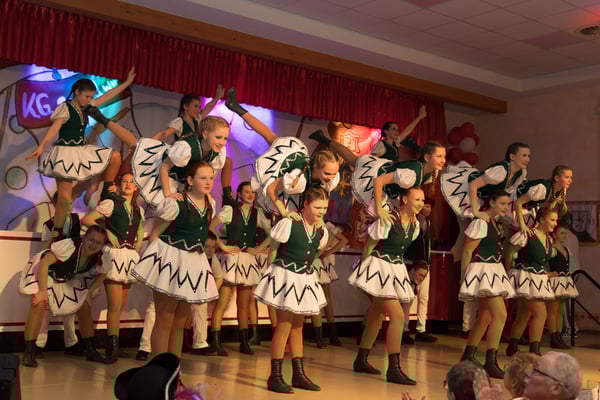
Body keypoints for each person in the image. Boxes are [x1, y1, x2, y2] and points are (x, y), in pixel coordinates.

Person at [26, 70, 138, 241]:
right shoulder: (65, 108)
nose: (89, 100)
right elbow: (55, 128)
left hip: (80, 150)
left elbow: (107, 96)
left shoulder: (87, 107)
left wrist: (127, 83)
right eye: (86, 96)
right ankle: (57, 231)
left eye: (91, 97)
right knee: (64, 198)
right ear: (77, 92)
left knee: (114, 156)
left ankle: (107, 192)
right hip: (65, 154)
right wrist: (42, 146)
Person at [131, 161, 219, 356]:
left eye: (211, 178)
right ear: (190, 180)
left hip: (193, 263)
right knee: (165, 318)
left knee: (180, 322)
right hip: (171, 260)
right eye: (203, 178)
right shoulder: (175, 202)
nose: (208, 182)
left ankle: (174, 367)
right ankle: (159, 368)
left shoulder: (210, 204)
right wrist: (153, 261)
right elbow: (157, 232)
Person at [254, 187, 330, 393]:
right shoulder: (289, 223)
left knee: (298, 327)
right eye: (317, 207)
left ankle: (298, 374)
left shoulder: (322, 231)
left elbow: (315, 251)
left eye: (324, 208)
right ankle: (275, 376)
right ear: (305, 204)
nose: (321, 212)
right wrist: (271, 276)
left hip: (304, 278)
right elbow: (274, 248)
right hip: (285, 276)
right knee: (284, 326)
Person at [349, 186, 426, 386]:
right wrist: (363, 274)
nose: (420, 203)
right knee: (398, 316)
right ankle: (393, 368)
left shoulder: (416, 225)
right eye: (417, 199)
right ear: (404, 199)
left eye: (422, 200)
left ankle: (361, 359)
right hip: (379, 268)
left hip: (395, 268)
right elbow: (369, 245)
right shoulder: (389, 219)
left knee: (377, 315)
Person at [224, 87, 340, 217]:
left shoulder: (330, 180)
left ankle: (235, 106)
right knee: (270, 136)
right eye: (327, 173)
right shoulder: (298, 178)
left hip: (298, 171)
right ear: (316, 167)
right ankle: (236, 107)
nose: (331, 177)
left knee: (271, 137)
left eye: (334, 174)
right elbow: (271, 189)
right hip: (284, 165)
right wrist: (284, 212)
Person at [18, 225, 111, 367]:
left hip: (64, 279)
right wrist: (42, 291)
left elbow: (104, 272)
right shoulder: (70, 246)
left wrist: (90, 291)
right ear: (84, 238)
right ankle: (29, 352)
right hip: (43, 273)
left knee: (84, 306)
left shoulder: (101, 256)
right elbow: (44, 264)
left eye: (98, 243)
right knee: (39, 303)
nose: (93, 245)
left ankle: (91, 351)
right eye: (91, 240)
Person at [81, 172, 144, 362]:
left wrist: (138, 244)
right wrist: (107, 233)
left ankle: (113, 345)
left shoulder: (138, 209)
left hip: (129, 256)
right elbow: (87, 220)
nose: (128, 184)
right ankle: (112, 349)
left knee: (120, 306)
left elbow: (140, 228)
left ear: (136, 187)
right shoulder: (111, 203)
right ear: (119, 185)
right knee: (114, 306)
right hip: (114, 255)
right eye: (124, 181)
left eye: (131, 182)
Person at [206, 181, 271, 356]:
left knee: (243, 305)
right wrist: (223, 246)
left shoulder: (257, 214)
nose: (250, 195)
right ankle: (215, 343)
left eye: (253, 192)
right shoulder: (230, 210)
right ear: (239, 194)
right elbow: (211, 227)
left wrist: (257, 249)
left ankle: (244, 342)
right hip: (232, 258)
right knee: (222, 302)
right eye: (247, 192)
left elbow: (272, 234)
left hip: (247, 260)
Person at [459, 189, 515, 378]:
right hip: (483, 270)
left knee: (485, 316)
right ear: (491, 202)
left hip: (492, 270)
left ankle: (468, 355)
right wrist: (464, 277)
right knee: (500, 314)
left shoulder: (493, 223)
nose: (506, 207)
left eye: (507, 204)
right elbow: (467, 251)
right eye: (502, 203)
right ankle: (490, 362)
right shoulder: (481, 222)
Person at [149, 87, 236, 206]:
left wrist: (217, 98)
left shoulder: (198, 121)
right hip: (177, 164)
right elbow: (164, 134)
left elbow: (207, 109)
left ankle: (227, 195)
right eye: (195, 106)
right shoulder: (180, 123)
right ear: (185, 106)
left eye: (199, 107)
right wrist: (148, 144)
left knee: (227, 162)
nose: (198, 109)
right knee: (168, 206)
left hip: (191, 167)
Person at [132, 116, 229, 208]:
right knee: (151, 204)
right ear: (205, 134)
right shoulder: (187, 147)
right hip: (165, 174)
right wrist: (168, 193)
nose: (222, 142)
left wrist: (206, 193)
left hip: (183, 180)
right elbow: (164, 167)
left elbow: (208, 176)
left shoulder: (218, 152)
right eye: (218, 137)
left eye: (225, 138)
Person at [34, 192, 84, 358]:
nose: (67, 206)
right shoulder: (49, 224)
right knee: (45, 307)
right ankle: (39, 344)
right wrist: (51, 240)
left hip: (70, 270)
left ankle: (71, 343)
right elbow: (42, 251)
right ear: (55, 204)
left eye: (70, 202)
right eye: (63, 203)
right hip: (52, 269)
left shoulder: (77, 220)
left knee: (69, 307)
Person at [506, 207, 557, 357]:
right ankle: (534, 350)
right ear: (541, 219)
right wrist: (509, 272)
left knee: (524, 313)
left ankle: (512, 347)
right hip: (524, 277)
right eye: (552, 220)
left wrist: (546, 274)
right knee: (541, 314)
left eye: (556, 220)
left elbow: (539, 262)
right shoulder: (527, 234)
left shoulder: (548, 239)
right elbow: (510, 251)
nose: (555, 223)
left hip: (537, 279)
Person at [402, 197, 437, 344]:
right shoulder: (413, 221)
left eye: (429, 206)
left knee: (424, 298)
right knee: (408, 299)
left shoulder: (427, 222)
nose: (427, 209)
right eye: (425, 205)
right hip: (412, 264)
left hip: (424, 265)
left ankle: (421, 329)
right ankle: (404, 330)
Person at [310, 221, 348, 348]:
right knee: (324, 298)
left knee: (320, 298)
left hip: (316, 261)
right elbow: (342, 240)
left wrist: (324, 252)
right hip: (319, 261)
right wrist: (326, 252)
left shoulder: (322, 225)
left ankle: (321, 336)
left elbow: (343, 240)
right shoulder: (324, 225)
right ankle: (330, 335)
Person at [547, 226, 579, 349]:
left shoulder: (566, 249)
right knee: (553, 311)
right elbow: (545, 263)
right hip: (555, 280)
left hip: (564, 280)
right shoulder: (551, 249)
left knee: (560, 311)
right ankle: (553, 337)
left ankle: (558, 336)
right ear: (554, 235)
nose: (564, 236)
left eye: (565, 234)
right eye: (561, 233)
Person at [513, 165, 572, 232]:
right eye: (567, 177)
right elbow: (518, 202)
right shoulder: (542, 188)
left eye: (571, 177)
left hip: (526, 207)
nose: (570, 180)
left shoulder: (562, 190)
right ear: (557, 178)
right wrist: (523, 226)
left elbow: (549, 207)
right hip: (513, 198)